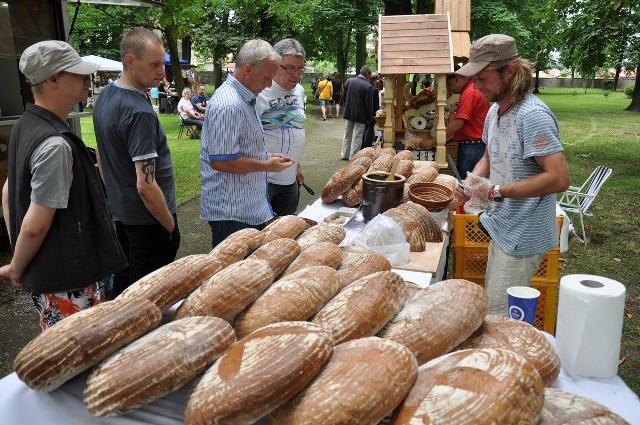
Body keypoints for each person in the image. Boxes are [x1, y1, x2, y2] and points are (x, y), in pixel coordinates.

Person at [0, 40, 127, 330]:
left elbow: (8, 193)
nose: (87, 78)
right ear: (52, 79)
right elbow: (35, 225)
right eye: (77, 73)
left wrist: (20, 254)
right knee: (79, 355)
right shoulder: (55, 144)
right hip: (68, 280)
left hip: (52, 277)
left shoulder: (25, 125)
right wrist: (17, 267)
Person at [456, 34, 570, 315]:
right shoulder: (495, 110)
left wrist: (495, 191)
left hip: (524, 232)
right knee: (492, 304)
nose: (475, 84)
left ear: (508, 71)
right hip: (502, 223)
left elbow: (558, 178)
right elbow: (488, 154)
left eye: (482, 77)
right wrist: (470, 184)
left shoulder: (532, 115)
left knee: (497, 317)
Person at [93, 27, 180, 299]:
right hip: (150, 223)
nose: (162, 73)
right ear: (130, 61)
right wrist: (171, 227)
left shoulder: (105, 96)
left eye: (162, 65)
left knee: (124, 294)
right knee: (147, 303)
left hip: (124, 218)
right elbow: (146, 185)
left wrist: (117, 200)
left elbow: (101, 155)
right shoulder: (139, 111)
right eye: (154, 65)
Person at [200, 39, 294, 248]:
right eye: (267, 78)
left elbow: (237, 148)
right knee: (232, 277)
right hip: (232, 215)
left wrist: (265, 156)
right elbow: (221, 161)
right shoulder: (230, 104)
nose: (269, 84)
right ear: (248, 69)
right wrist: (266, 165)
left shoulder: (244, 99)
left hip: (245, 210)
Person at [255, 38, 307, 216]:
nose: (296, 74)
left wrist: (297, 166)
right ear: (275, 64)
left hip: (290, 182)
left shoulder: (299, 91)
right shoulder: (260, 92)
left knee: (286, 233)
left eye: (300, 68)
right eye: (290, 67)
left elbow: (295, 128)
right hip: (263, 182)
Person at [445, 68, 491, 178]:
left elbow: (458, 124)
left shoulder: (469, 93)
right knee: (469, 183)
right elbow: (467, 126)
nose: (448, 89)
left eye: (449, 84)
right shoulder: (470, 91)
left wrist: (434, 140)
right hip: (474, 145)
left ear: (456, 79)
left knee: (465, 186)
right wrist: (447, 140)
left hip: (472, 147)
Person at [340, 65, 375, 160]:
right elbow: (369, 104)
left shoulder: (349, 81)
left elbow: (344, 96)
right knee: (357, 136)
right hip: (361, 115)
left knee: (347, 134)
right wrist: (370, 117)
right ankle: (354, 156)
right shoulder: (368, 86)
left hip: (349, 112)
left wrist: (345, 106)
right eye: (370, 74)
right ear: (367, 73)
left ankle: (344, 154)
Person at [361, 71, 381, 149]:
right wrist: (376, 113)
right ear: (376, 80)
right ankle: (367, 145)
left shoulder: (366, 86)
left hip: (364, 111)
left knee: (364, 128)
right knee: (370, 129)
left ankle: (363, 144)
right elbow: (375, 103)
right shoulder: (374, 89)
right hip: (372, 112)